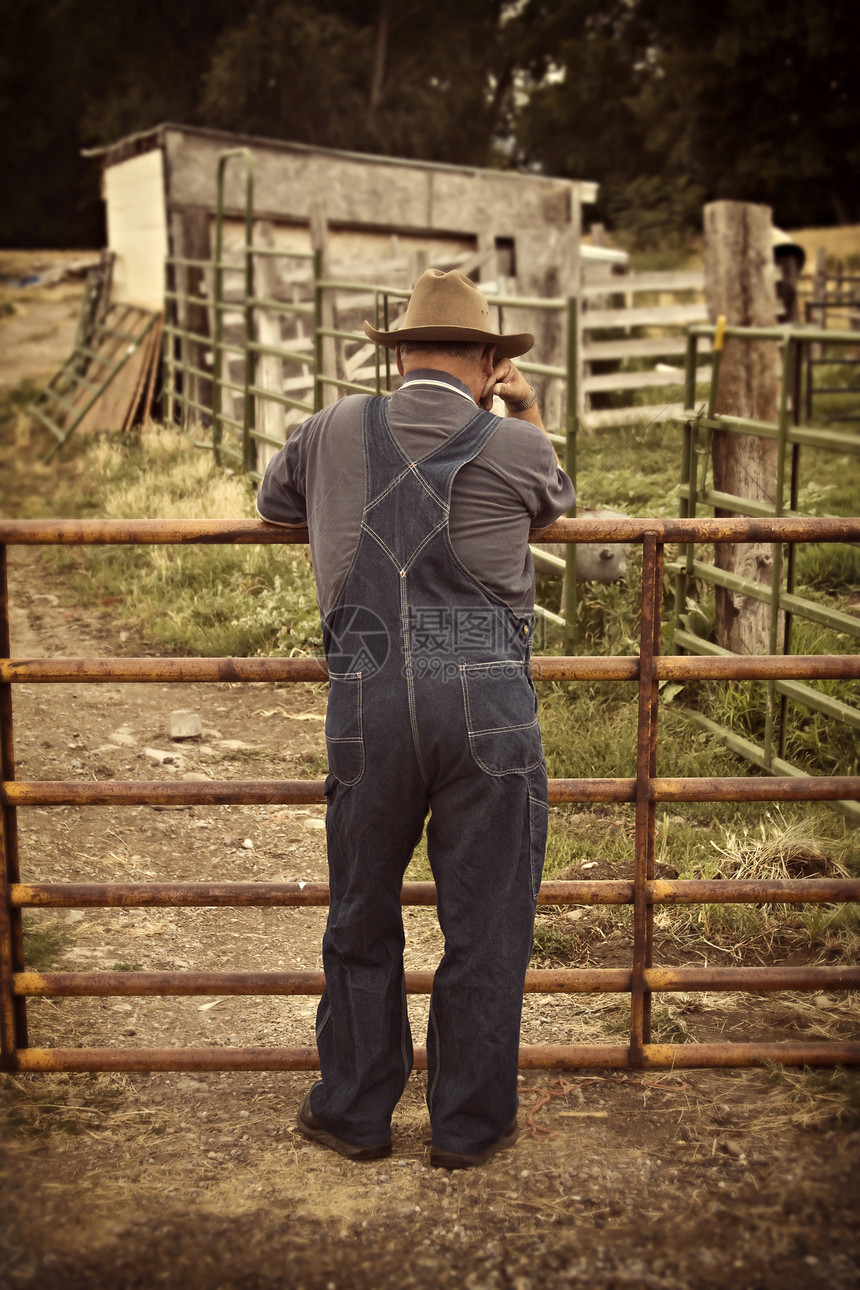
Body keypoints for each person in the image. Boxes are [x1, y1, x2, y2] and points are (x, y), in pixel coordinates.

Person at [256, 268, 574, 1168]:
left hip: (370, 690)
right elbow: (558, 498)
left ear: (398, 358)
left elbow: (273, 505)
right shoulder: (513, 446)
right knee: (486, 922)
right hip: (486, 704)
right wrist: (526, 409)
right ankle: (467, 1128)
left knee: (362, 910)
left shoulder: (329, 429)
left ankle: (354, 1111)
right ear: (485, 362)